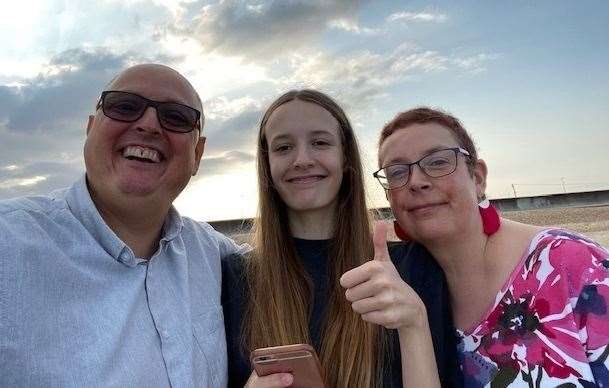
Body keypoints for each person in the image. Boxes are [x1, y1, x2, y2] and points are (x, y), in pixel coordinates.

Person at [0, 64, 246, 387]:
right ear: (90, 129)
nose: (148, 124)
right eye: (124, 106)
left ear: (197, 154)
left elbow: (291, 260)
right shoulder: (9, 244)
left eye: (176, 116)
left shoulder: (212, 252)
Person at [222, 90, 461, 387]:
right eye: (283, 147)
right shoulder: (236, 276)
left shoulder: (411, 266)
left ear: (346, 157)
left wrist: (414, 324)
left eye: (320, 143)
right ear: (267, 166)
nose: (302, 159)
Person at [375, 107, 609, 387]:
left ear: (478, 178)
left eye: (438, 162)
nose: (416, 181)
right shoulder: (400, 290)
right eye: (397, 172)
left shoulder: (572, 264)